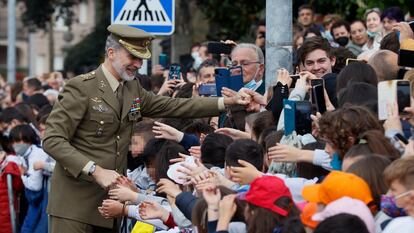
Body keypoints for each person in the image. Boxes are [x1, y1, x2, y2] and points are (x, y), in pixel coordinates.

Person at [43, 24, 248, 233]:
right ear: (111, 52)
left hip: (111, 206)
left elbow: (176, 106)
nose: (138, 64)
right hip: (74, 206)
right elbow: (52, 139)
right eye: (133, 57)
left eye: (141, 58)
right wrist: (95, 170)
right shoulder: (81, 87)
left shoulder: (132, 88)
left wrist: (226, 102)